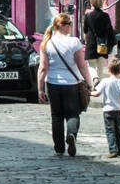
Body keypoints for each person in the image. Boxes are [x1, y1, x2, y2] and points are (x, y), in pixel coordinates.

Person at [36, 13, 91, 157]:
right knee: (73, 113)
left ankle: (59, 148)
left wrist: (40, 88)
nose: (71, 26)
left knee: (56, 116)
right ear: (63, 25)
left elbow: (42, 68)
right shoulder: (74, 42)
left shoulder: (47, 43)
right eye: (70, 24)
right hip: (71, 83)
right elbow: (82, 65)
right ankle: (71, 134)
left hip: (53, 83)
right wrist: (89, 83)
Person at [94, 58, 120, 158]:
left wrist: (89, 93)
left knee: (110, 130)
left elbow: (97, 93)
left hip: (108, 110)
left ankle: (113, 149)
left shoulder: (105, 81)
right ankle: (119, 149)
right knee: (119, 130)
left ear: (109, 70)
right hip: (119, 110)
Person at [82, 0, 116, 87]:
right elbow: (109, 30)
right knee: (101, 66)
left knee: (91, 65)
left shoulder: (88, 16)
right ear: (101, 3)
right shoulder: (105, 16)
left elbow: (85, 30)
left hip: (92, 44)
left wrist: (86, 41)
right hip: (103, 44)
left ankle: (95, 79)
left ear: (92, 3)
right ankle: (99, 85)